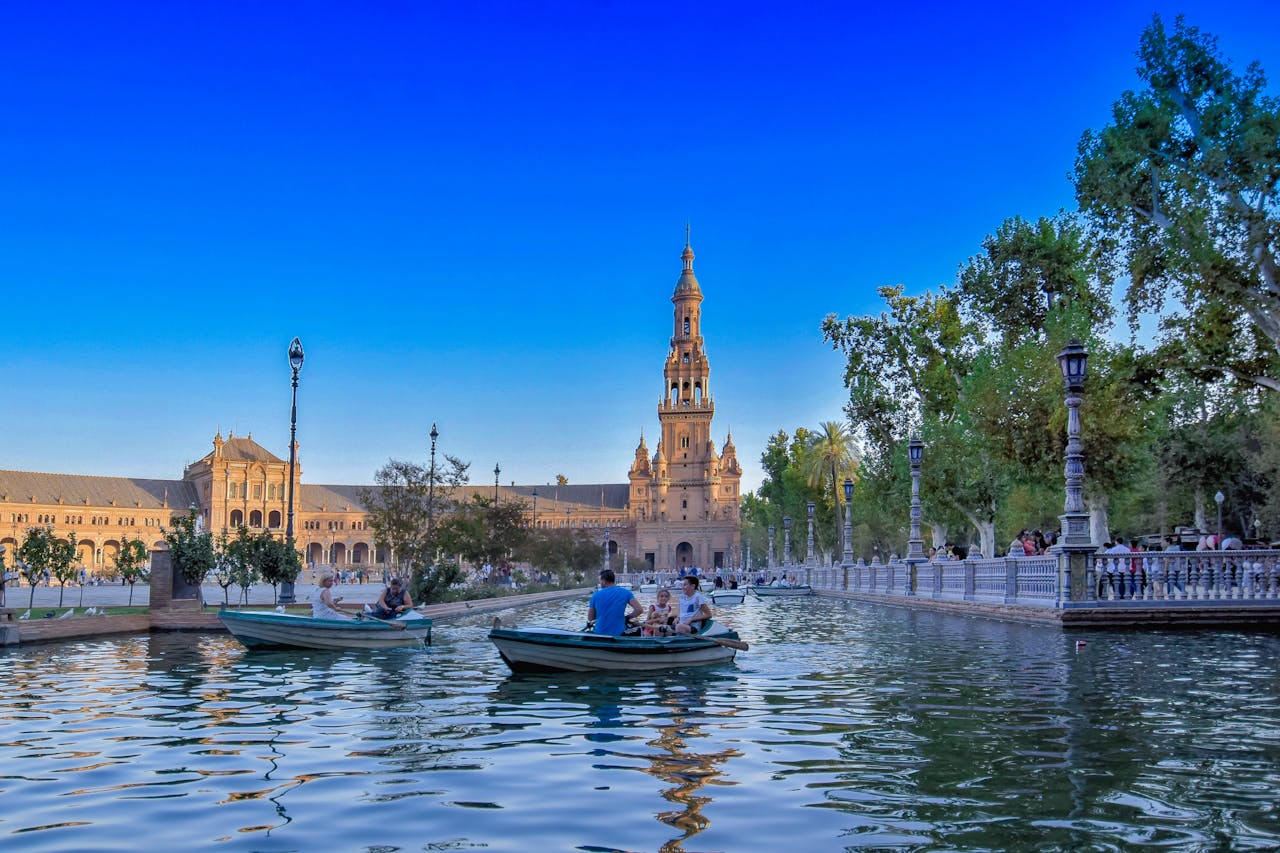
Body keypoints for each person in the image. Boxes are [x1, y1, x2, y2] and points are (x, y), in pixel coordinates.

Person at [587, 569, 642, 635]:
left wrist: (602, 616)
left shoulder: (596, 595)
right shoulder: (626, 593)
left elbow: (590, 618)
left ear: (604, 581)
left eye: (600, 580)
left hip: (599, 632)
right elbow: (639, 610)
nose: (600, 583)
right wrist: (627, 617)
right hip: (619, 633)